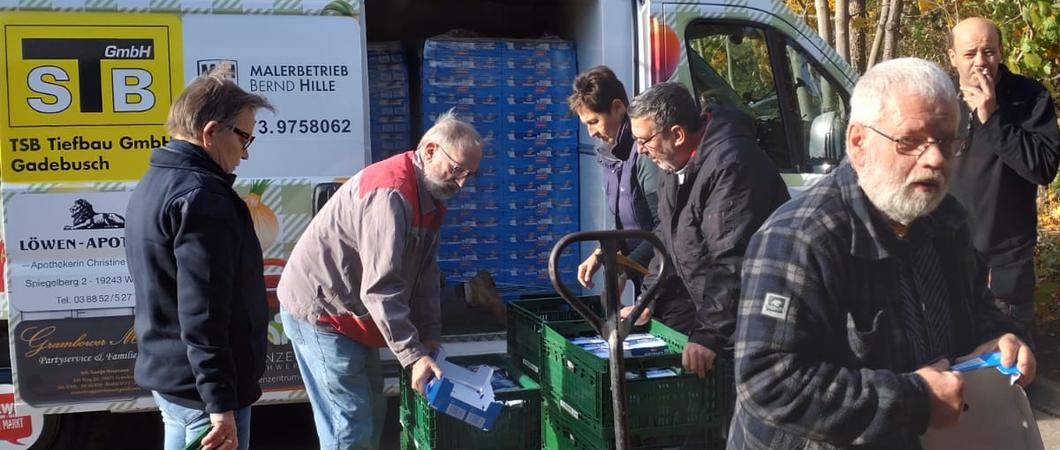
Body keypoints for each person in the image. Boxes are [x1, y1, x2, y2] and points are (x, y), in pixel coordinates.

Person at [728, 58, 1037, 449]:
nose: (936, 159)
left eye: (946, 141)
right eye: (911, 141)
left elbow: (979, 307)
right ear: (858, 142)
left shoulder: (947, 220)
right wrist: (915, 401)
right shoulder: (800, 238)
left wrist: (1001, 339)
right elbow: (768, 382)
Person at [276, 111, 483, 449]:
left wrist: (429, 337)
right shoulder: (392, 194)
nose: (461, 183)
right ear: (429, 151)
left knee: (371, 407)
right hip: (324, 312)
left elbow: (426, 273)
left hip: (351, 314)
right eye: (457, 169)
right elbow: (380, 288)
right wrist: (414, 356)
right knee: (351, 423)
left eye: (469, 175)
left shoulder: (431, 194)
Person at [125, 70, 274, 450]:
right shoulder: (203, 198)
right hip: (204, 396)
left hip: (177, 382)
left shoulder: (157, 179)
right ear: (210, 133)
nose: (246, 152)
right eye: (244, 138)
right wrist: (220, 405)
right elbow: (202, 313)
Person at [626, 82, 788, 379]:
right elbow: (668, 236)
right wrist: (647, 299)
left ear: (677, 134)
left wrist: (708, 334)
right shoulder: (673, 165)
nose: (640, 150)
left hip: (761, 323)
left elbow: (733, 258)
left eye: (644, 140)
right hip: (722, 315)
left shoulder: (733, 165)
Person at [947, 17, 1060, 335]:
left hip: (1003, 268)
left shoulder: (1029, 97)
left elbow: (1042, 169)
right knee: (949, 370)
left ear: (1001, 52)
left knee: (1009, 371)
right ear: (952, 57)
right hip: (944, 264)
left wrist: (993, 117)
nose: (981, 62)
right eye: (970, 54)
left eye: (989, 51)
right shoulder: (938, 99)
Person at [568, 66, 661, 294]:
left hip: (666, 282)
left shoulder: (645, 155)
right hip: (644, 279)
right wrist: (601, 254)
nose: (590, 133)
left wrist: (625, 269)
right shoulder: (611, 155)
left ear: (618, 108)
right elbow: (625, 222)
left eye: (594, 122)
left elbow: (665, 228)